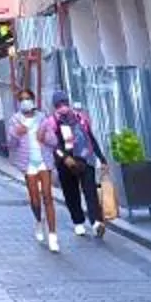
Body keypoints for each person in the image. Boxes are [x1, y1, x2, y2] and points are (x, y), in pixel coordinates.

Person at [50, 101, 106, 238]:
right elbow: (52, 145)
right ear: (55, 107)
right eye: (59, 105)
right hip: (66, 164)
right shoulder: (52, 122)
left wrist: (102, 158)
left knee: (90, 191)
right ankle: (78, 222)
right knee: (71, 194)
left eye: (64, 103)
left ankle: (96, 222)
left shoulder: (80, 118)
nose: (62, 107)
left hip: (85, 159)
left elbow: (90, 139)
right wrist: (64, 158)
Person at [20, 101, 62, 251]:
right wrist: (17, 134)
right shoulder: (16, 121)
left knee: (47, 196)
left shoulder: (43, 121)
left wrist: (43, 137)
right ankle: (38, 220)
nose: (30, 113)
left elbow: (54, 141)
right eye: (27, 111)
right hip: (29, 163)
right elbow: (11, 143)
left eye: (32, 110)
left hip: (44, 161)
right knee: (35, 199)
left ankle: (53, 236)